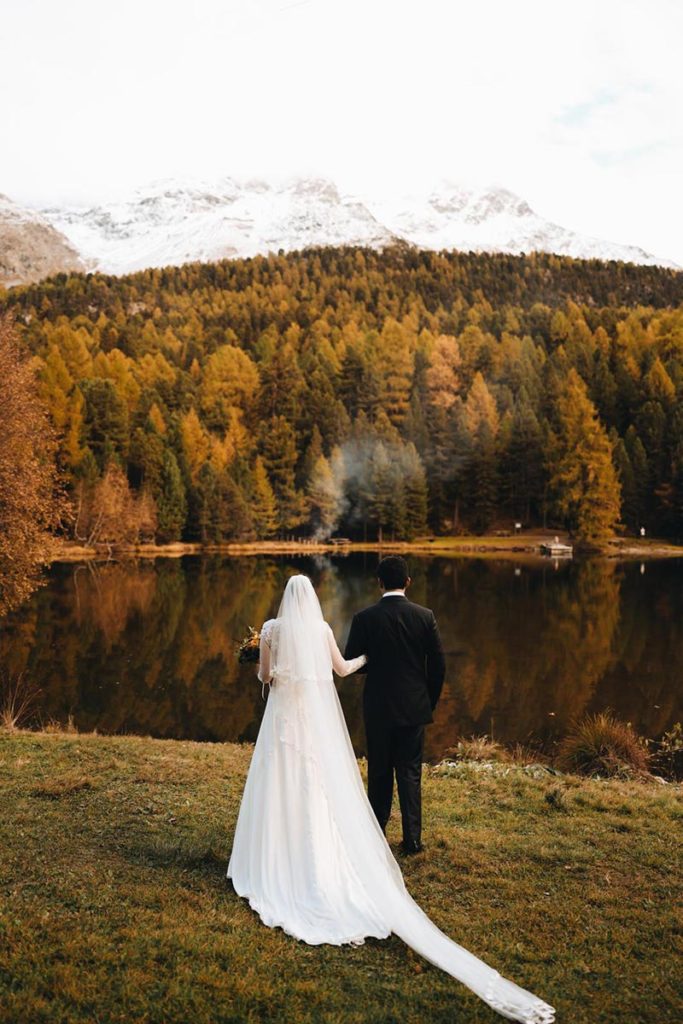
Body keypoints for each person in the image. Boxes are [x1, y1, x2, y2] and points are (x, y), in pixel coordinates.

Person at [227, 573, 555, 1023]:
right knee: (318, 783)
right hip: (317, 720)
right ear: (311, 600)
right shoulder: (322, 630)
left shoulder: (269, 630)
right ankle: (344, 847)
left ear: (284, 598)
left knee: (280, 779)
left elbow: (266, 675)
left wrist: (266, 664)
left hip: (282, 720)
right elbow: (342, 669)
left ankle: (273, 851)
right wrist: (369, 658)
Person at [344, 555, 445, 853]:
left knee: (379, 772)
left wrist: (374, 659)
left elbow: (354, 663)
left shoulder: (365, 618)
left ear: (379, 583)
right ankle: (412, 840)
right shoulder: (425, 616)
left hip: (378, 708)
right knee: (410, 773)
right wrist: (428, 702)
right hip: (414, 707)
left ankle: (377, 838)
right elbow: (438, 666)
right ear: (408, 582)